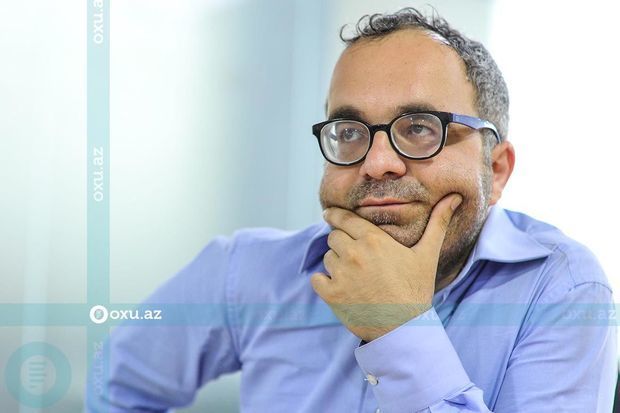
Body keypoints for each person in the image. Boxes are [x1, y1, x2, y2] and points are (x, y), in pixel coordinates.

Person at [85, 7, 617, 412]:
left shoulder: (562, 290)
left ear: (496, 170)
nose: (377, 163)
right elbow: (116, 381)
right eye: (349, 131)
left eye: (419, 128)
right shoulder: (247, 273)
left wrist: (397, 327)